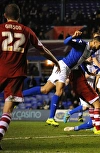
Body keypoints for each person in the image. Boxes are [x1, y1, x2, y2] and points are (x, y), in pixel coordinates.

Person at [22, 30, 100, 135]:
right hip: (64, 67)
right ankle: (50, 118)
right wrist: (73, 36)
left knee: (45, 89)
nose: (99, 48)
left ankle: (20, 95)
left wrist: (88, 71)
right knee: (59, 90)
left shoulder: (91, 51)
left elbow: (80, 63)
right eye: (99, 45)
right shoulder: (82, 44)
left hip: (66, 68)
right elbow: (66, 42)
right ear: (94, 42)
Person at [0, 3, 60, 149]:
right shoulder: (26, 31)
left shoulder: (0, 29)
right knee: (8, 110)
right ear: (19, 17)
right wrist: (56, 61)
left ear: (4, 16)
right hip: (16, 74)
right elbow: (43, 49)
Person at [63, 56, 98, 123]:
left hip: (91, 88)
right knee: (85, 107)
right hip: (83, 89)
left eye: (91, 57)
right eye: (88, 57)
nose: (90, 58)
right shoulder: (83, 67)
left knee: (92, 106)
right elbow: (82, 77)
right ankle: (69, 113)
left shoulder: (93, 66)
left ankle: (92, 123)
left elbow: (95, 79)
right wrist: (91, 74)